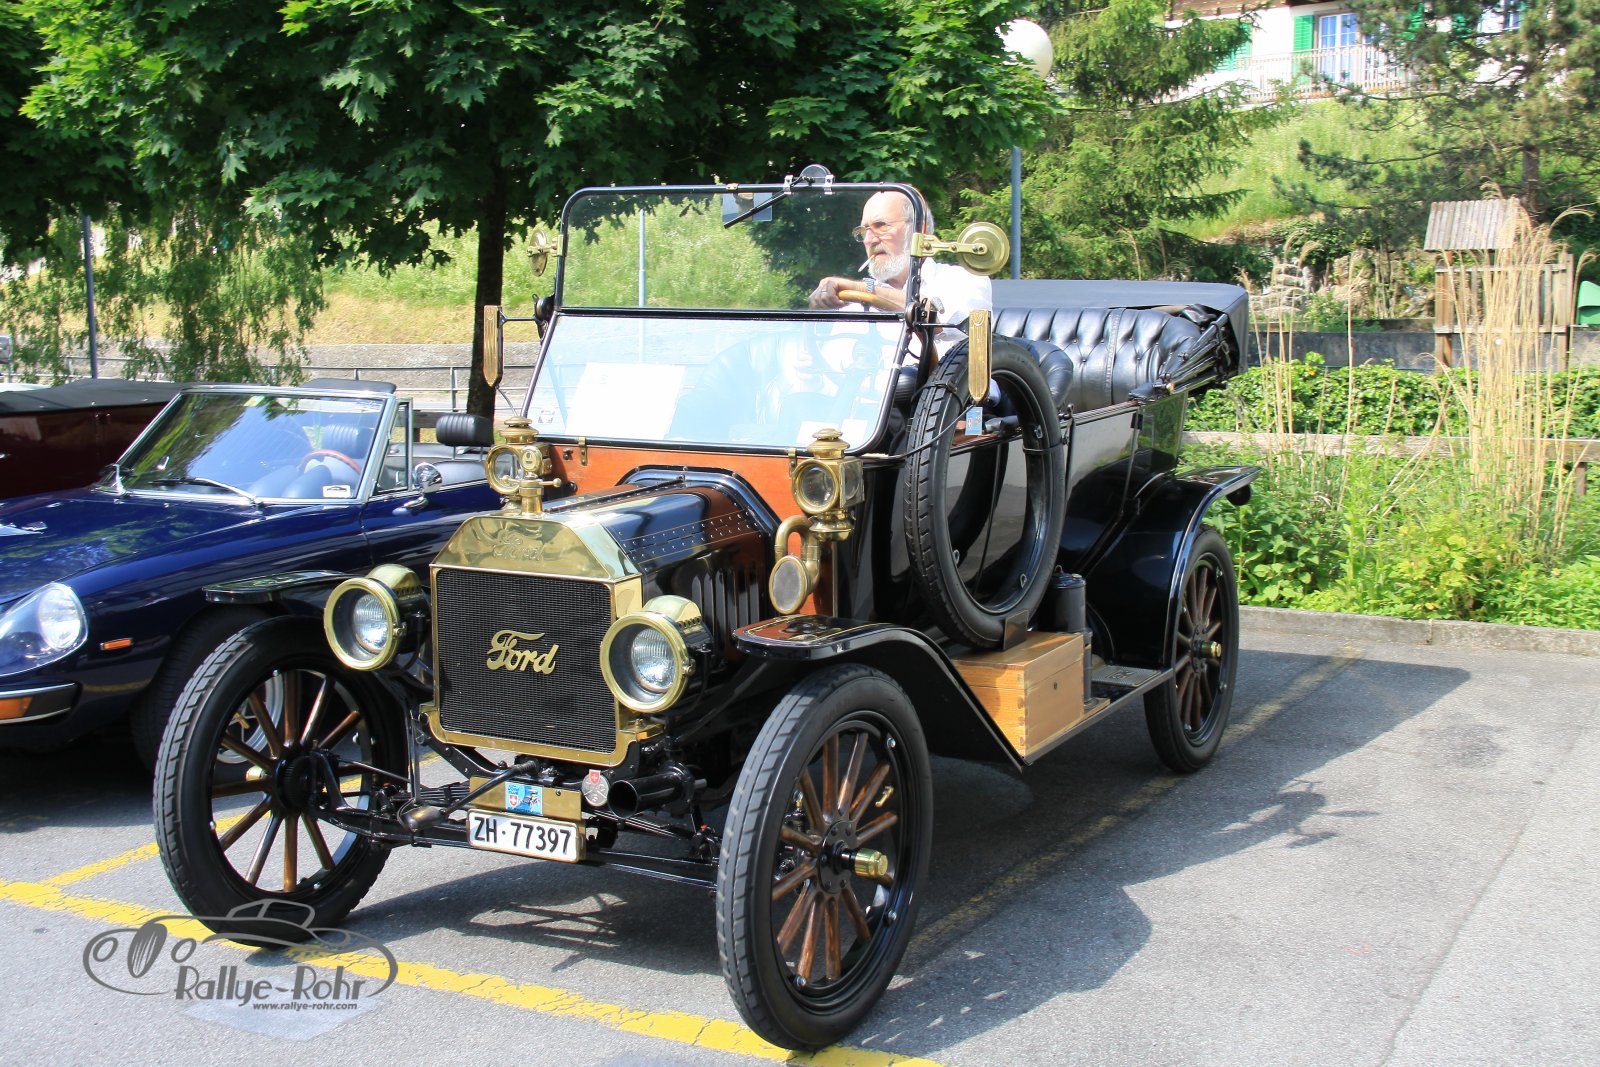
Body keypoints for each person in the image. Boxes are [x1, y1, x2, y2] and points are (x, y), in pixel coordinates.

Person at [808, 190, 992, 356]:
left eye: (881, 225)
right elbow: (835, 366)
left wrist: (863, 290)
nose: (869, 240)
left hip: (944, 384)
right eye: (864, 231)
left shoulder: (963, 279)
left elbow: (938, 321)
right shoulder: (854, 304)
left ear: (920, 230)